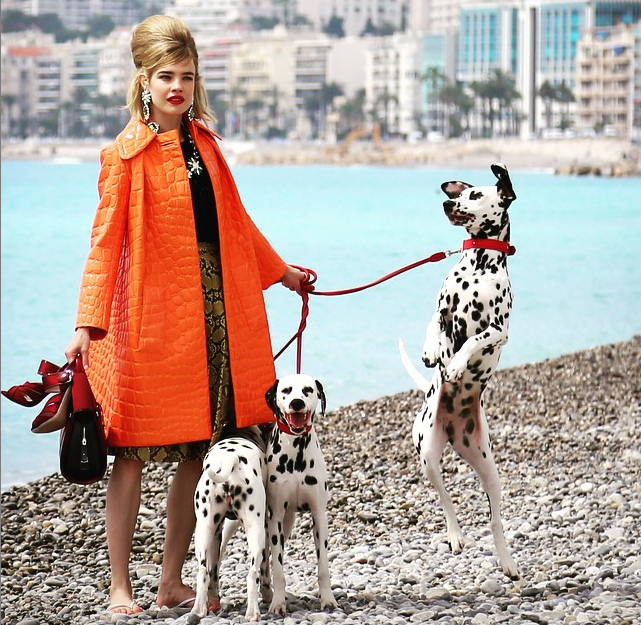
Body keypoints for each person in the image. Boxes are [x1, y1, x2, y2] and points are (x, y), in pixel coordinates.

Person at [64, 14, 306, 615]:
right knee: (130, 454)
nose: (177, 87)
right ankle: (120, 587)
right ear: (143, 81)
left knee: (199, 451)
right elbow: (104, 245)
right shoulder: (123, 156)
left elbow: (236, 225)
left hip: (214, 313)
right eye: (166, 76)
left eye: (187, 77)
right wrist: (86, 324)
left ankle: (172, 581)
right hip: (148, 320)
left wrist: (282, 272)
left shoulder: (207, 146)